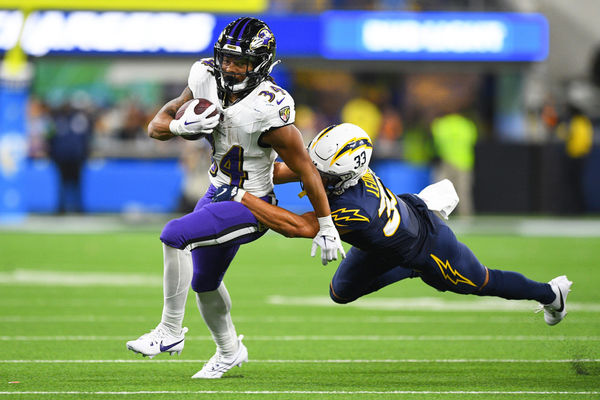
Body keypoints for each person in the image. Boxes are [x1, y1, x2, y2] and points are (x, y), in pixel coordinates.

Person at [125, 17, 345, 379]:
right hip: (217, 190)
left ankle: (169, 332)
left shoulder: (269, 105)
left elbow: (305, 167)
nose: (229, 67)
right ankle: (229, 351)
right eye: (226, 58)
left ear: (260, 64)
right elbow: (155, 126)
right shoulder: (204, 77)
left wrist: (325, 224)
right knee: (205, 283)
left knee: (174, 235)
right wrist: (180, 126)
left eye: (240, 61)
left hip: (250, 204)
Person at [212, 123, 573, 327]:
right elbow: (287, 171)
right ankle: (408, 262)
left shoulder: (355, 209)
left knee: (481, 282)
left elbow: (296, 226)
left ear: (343, 171)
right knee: (340, 293)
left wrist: (240, 196)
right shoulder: (346, 170)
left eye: (322, 171)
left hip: (427, 244)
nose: (313, 173)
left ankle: (549, 294)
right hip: (391, 230)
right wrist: (237, 166)